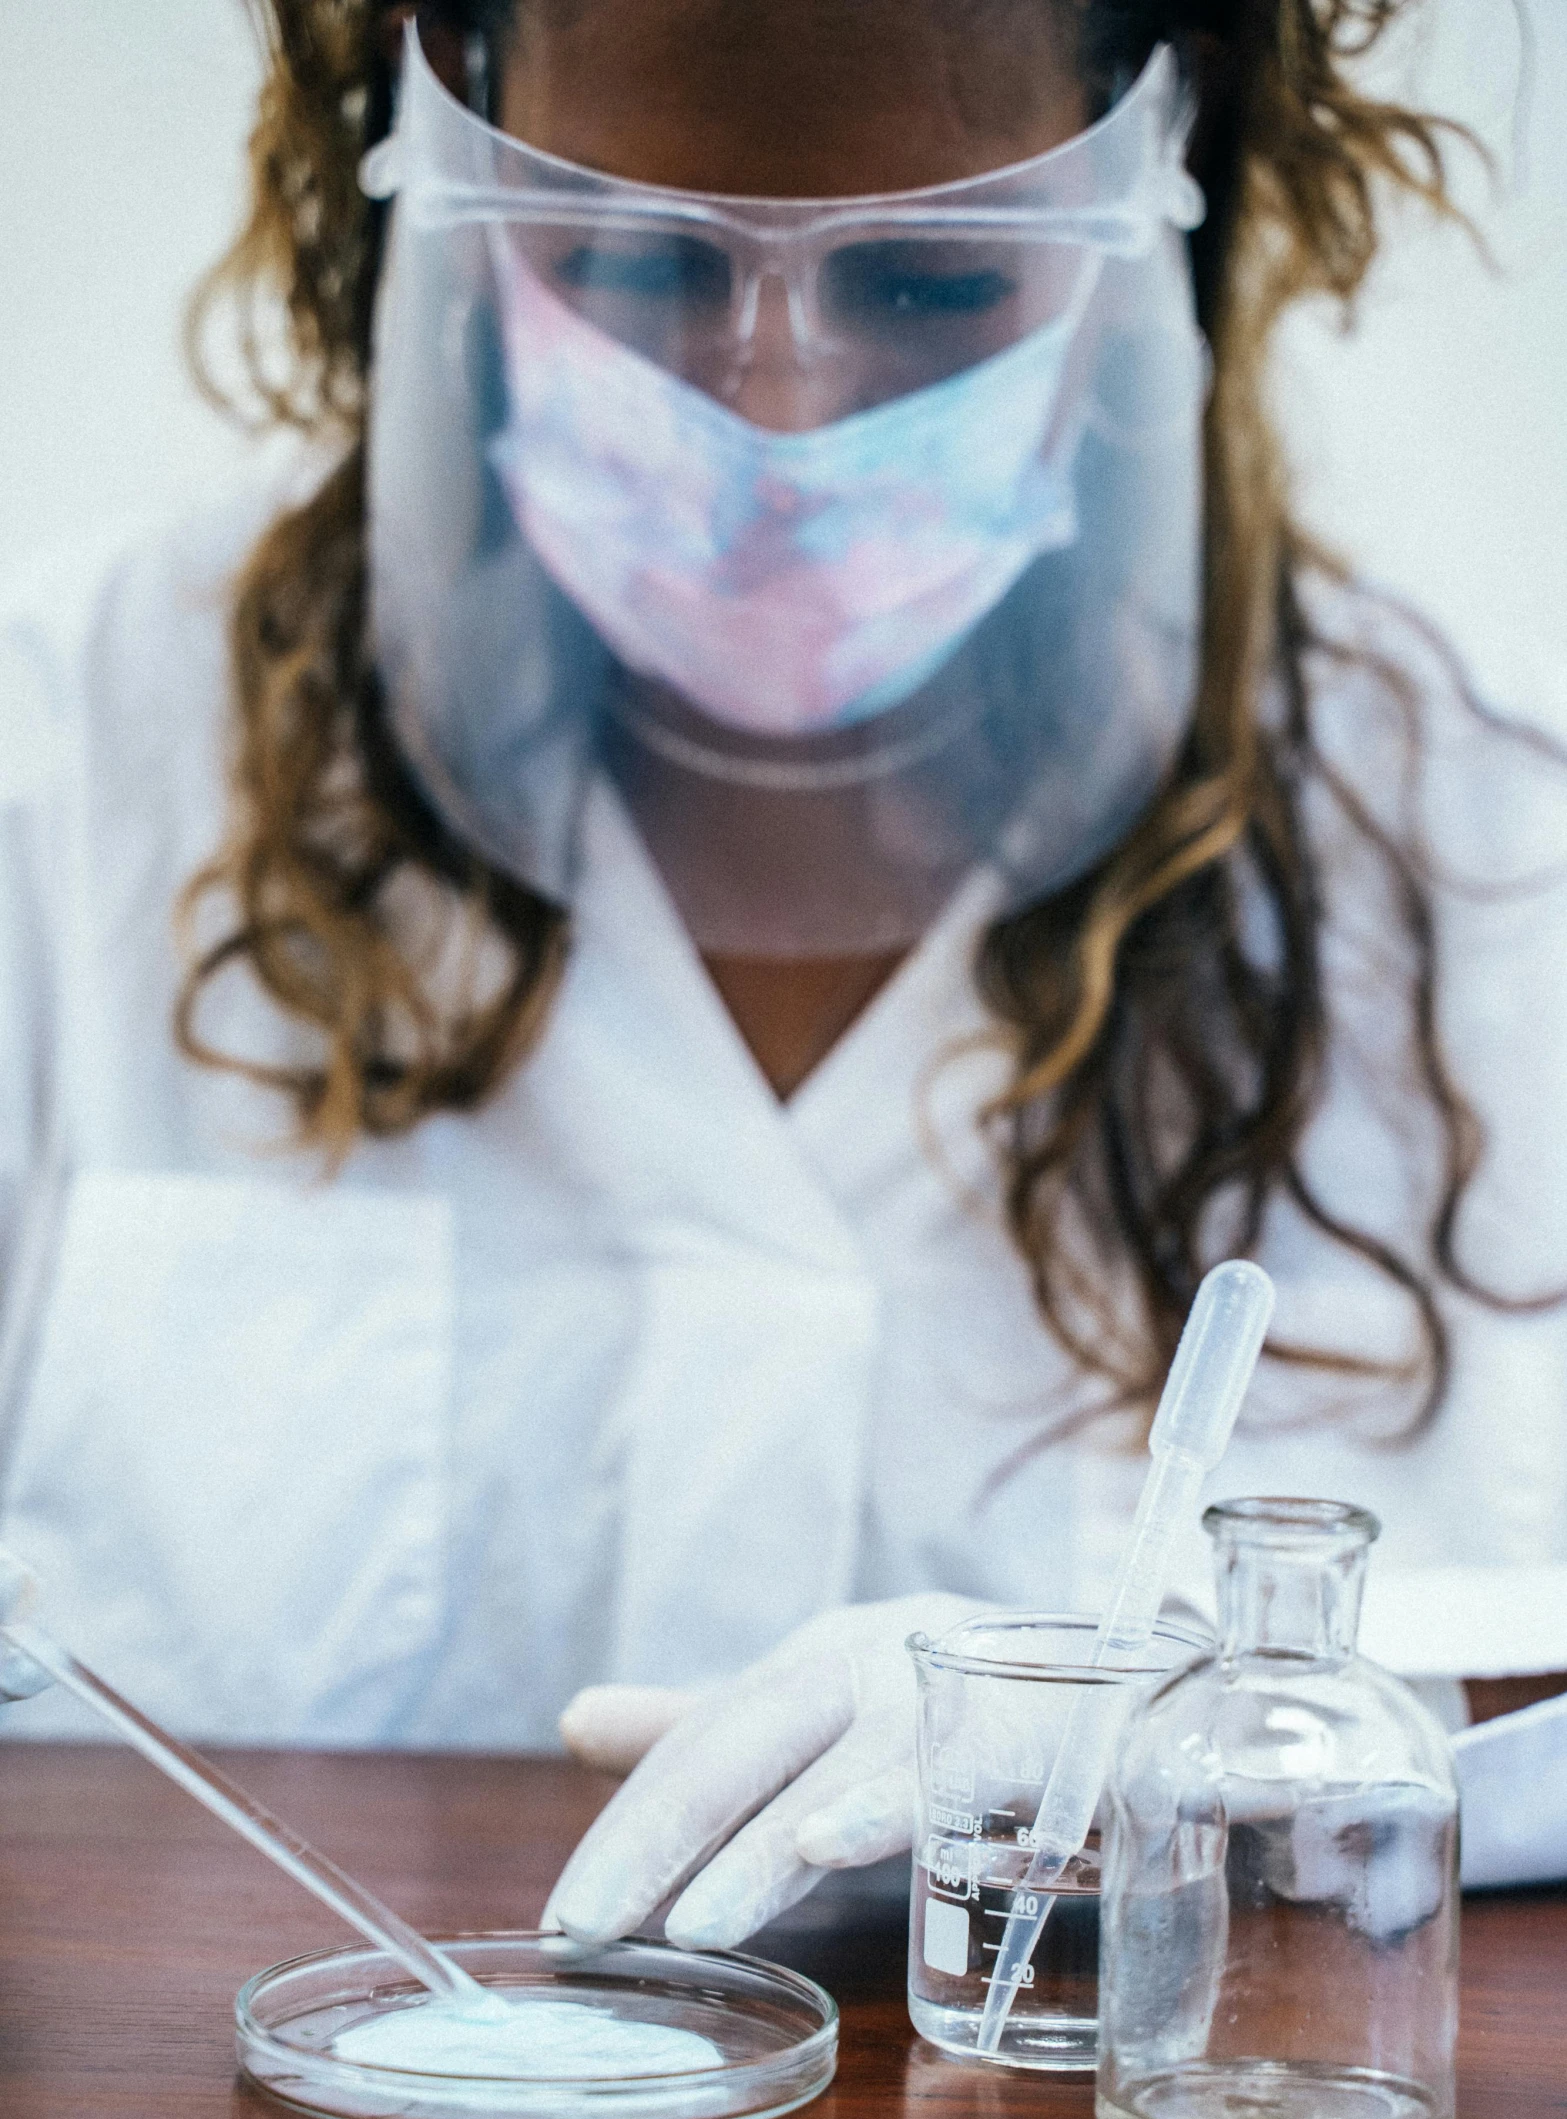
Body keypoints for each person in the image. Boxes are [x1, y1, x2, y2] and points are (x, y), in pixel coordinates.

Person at [1, 2, 1564, 1948]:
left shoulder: (1502, 886)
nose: (781, 411)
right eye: (643, 264)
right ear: (453, 147)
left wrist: (1201, 1726)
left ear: (1163, 174)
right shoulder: (67, 776)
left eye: (929, 280)